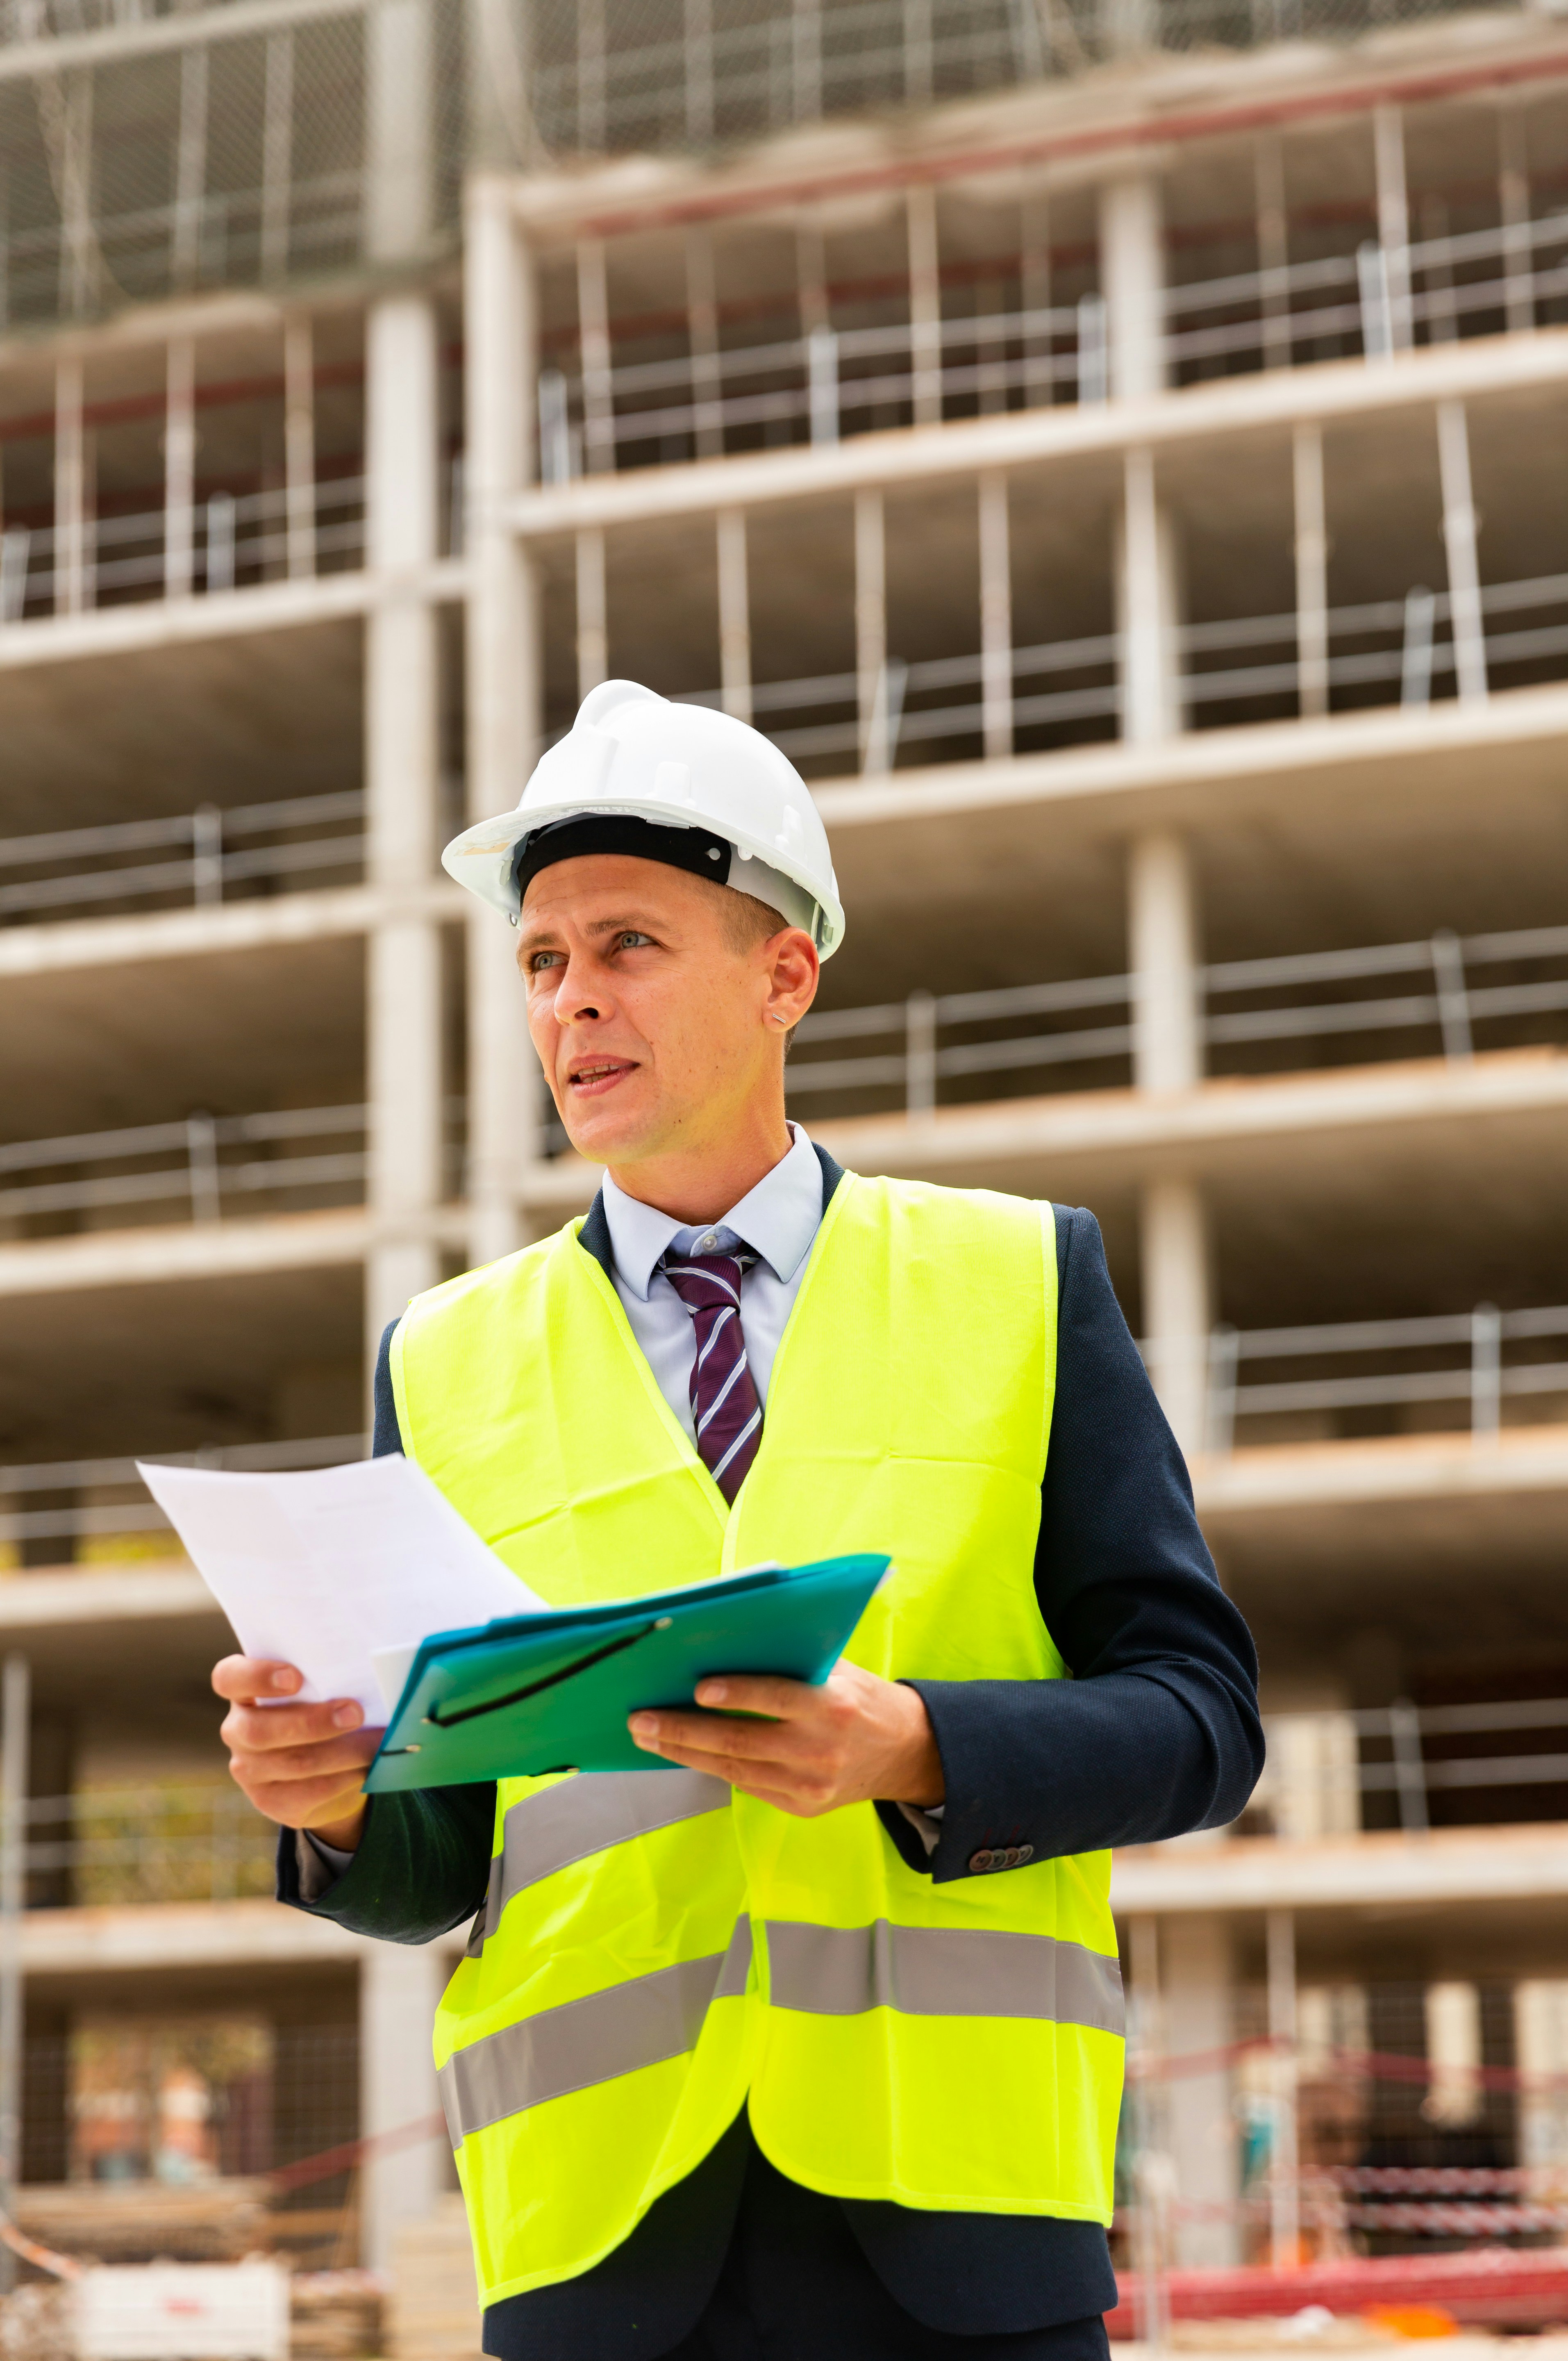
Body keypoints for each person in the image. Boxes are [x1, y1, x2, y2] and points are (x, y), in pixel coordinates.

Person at [213, 682, 1263, 2361]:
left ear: (786, 973)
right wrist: (338, 1806)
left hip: (961, 2230)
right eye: (542, 962)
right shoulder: (448, 1359)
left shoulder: (1016, 1283)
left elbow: (1204, 1725)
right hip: (599, 2237)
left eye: (628, 943)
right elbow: (435, 1861)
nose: (573, 1003)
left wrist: (918, 1747)